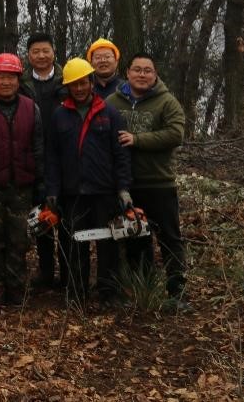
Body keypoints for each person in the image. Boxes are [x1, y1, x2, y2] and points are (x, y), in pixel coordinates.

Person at [45, 58, 132, 305]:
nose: (80, 88)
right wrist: (52, 191)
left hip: (104, 191)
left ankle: (108, 292)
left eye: (83, 83)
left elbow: (121, 155)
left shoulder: (110, 113)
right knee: (73, 244)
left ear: (91, 82)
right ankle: (76, 291)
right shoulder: (59, 115)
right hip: (72, 193)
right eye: (74, 85)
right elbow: (52, 157)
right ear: (68, 87)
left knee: (108, 244)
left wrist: (123, 188)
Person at [106, 52, 187, 308]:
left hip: (159, 182)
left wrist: (138, 139)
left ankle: (177, 292)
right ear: (127, 73)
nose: (142, 75)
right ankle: (144, 290)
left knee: (169, 238)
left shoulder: (167, 102)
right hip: (127, 185)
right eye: (137, 70)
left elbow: (175, 134)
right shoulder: (112, 102)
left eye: (147, 70)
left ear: (155, 75)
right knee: (136, 239)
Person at [0, 53, 44, 306]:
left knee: (19, 241)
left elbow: (38, 148)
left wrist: (40, 184)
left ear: (18, 79)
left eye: (11, 77)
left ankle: (16, 288)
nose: (6, 82)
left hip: (22, 188)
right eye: (1, 77)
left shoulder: (30, 108)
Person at [23, 31, 67, 290]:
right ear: (29, 56)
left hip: (65, 156)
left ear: (53, 53)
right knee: (42, 216)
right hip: (34, 157)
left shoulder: (68, 79)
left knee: (66, 216)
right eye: (35, 52)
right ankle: (46, 271)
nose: (41, 55)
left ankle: (69, 271)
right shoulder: (21, 83)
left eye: (45, 51)